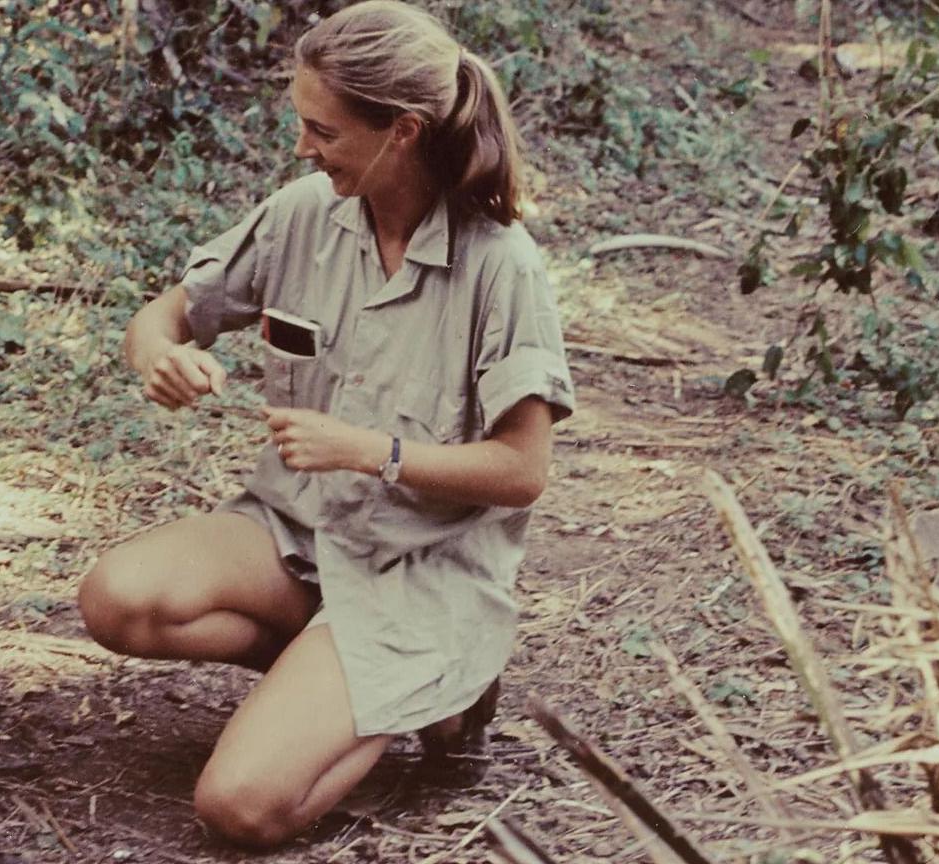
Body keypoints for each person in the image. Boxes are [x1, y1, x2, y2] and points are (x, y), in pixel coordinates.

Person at [78, 0, 575, 848]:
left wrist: (373, 453)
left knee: (240, 806)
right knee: (117, 600)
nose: (303, 147)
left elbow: (523, 471)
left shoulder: (501, 265)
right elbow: (164, 315)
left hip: (420, 570)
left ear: (402, 132)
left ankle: (442, 690)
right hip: (299, 534)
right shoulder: (305, 212)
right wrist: (158, 353)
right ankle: (349, 683)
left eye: (324, 130)